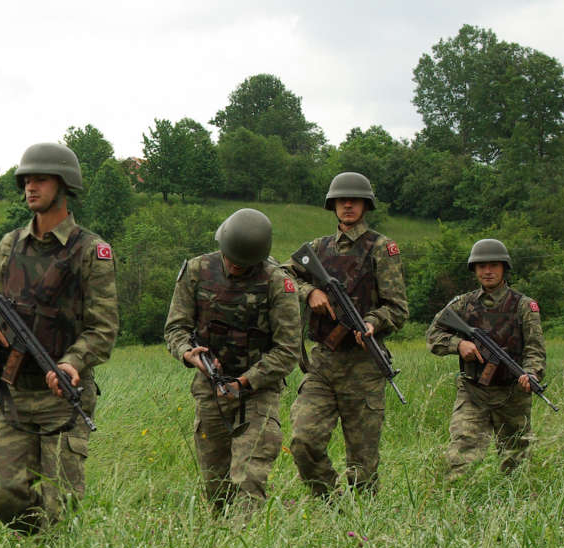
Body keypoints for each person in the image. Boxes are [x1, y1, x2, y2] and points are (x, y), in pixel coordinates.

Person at [0, 142, 118, 534]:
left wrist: (72, 361)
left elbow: (104, 327)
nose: (30, 187)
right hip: (15, 394)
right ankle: (42, 544)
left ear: (64, 184)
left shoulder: (92, 250)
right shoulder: (9, 245)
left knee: (63, 504)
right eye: (26, 180)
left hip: (62, 397)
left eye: (40, 179)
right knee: (0, 489)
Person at [164, 208, 300, 513]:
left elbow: (287, 349)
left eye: (243, 264)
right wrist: (188, 353)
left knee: (249, 480)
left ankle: (248, 547)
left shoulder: (279, 283)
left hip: (258, 390)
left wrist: (245, 382)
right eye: (230, 260)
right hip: (209, 388)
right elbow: (175, 327)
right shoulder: (197, 270)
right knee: (215, 486)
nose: (234, 267)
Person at [284, 172, 408, 497]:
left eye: (355, 200)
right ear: (333, 205)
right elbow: (280, 275)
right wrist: (309, 291)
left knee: (363, 466)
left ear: (366, 205)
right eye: (342, 200)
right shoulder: (316, 249)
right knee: (302, 441)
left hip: (365, 366)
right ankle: (330, 500)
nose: (348, 205)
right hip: (323, 364)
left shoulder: (382, 248)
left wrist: (372, 322)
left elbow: (398, 308)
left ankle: (359, 523)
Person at [425, 238, 546, 478]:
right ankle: (456, 504)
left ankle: (513, 508)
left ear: (504, 268)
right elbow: (433, 336)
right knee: (461, 455)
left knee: (516, 460)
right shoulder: (462, 304)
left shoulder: (524, 306)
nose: (487, 271)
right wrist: (459, 345)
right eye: (481, 266)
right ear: (474, 270)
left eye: (493, 265)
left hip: (512, 393)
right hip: (473, 391)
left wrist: (531, 373)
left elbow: (535, 348)